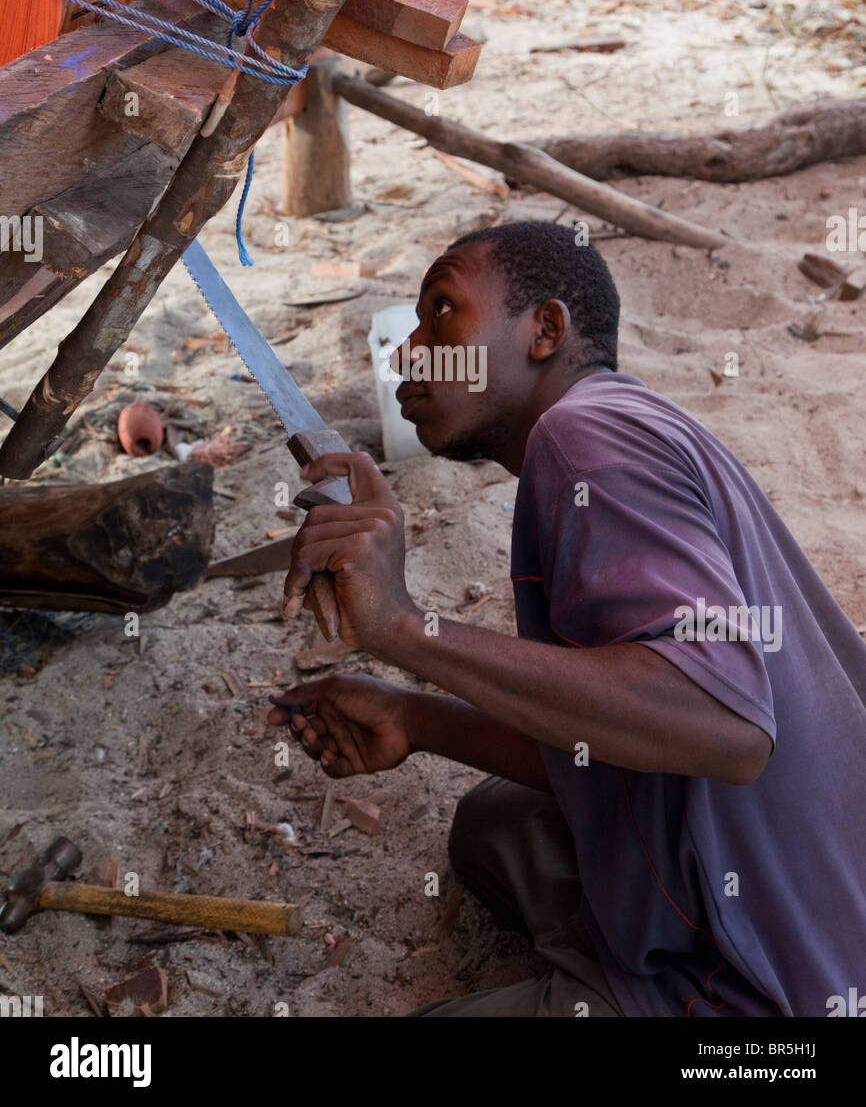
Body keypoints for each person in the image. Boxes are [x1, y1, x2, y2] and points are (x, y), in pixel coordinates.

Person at [267, 220, 866, 1018]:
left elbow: (723, 724)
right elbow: (633, 726)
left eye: (442, 311)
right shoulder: (625, 421)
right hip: (823, 885)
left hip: (789, 990)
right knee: (493, 828)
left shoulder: (583, 440)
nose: (411, 351)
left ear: (546, 329)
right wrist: (418, 720)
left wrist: (403, 627)